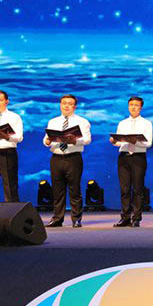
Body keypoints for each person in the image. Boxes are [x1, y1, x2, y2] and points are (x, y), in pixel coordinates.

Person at [43, 94, 92, 227]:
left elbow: (87, 140)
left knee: (74, 189)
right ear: (60, 105)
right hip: (56, 158)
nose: (66, 106)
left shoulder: (82, 121)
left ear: (74, 107)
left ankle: (76, 219)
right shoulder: (53, 122)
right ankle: (57, 218)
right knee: (57, 190)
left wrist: (75, 140)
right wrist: (47, 141)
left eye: (70, 104)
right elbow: (46, 139)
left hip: (73, 158)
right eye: (64, 103)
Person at [110, 96, 153, 227]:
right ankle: (125, 217)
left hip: (138, 157)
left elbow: (148, 143)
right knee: (124, 189)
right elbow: (119, 142)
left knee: (138, 188)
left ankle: (136, 218)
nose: (133, 107)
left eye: (136, 105)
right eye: (131, 105)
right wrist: (114, 141)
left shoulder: (146, 123)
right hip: (124, 157)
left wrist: (134, 141)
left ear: (141, 107)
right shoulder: (122, 123)